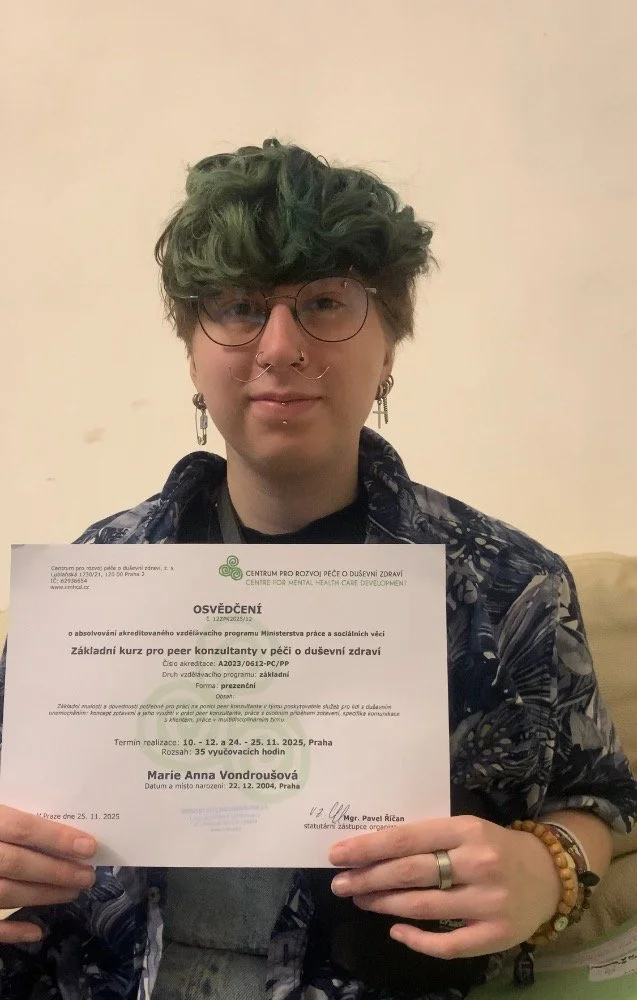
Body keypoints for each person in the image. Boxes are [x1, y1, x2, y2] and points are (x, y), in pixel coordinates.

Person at [1, 137, 636, 1000]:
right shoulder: (93, 579)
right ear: (191, 349)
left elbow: (601, 800)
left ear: (390, 347)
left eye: (326, 303)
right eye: (236, 306)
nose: (279, 346)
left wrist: (547, 869)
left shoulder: (507, 586)